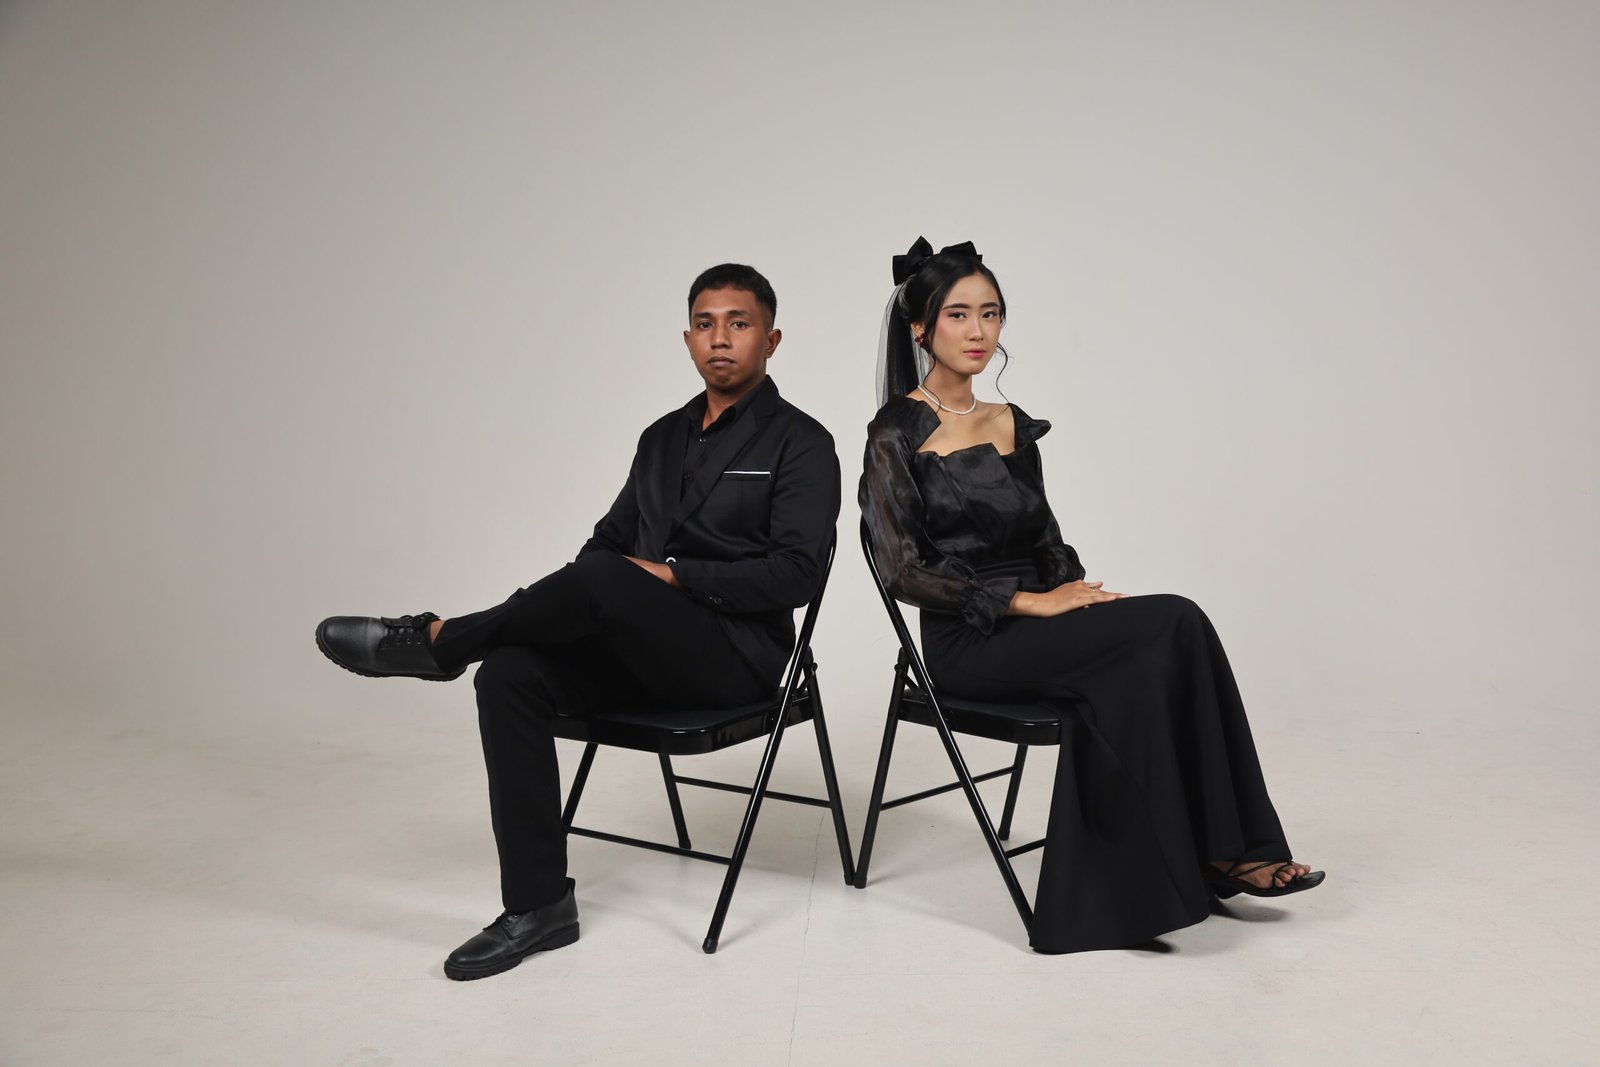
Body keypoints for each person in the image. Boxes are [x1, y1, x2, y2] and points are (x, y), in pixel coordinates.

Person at [317, 264, 840, 979]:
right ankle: (538, 907)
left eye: (739, 323)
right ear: (687, 338)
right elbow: (606, 544)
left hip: (732, 660)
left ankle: (442, 640)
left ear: (771, 339)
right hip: (641, 653)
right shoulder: (660, 438)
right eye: (705, 324)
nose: (720, 338)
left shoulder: (802, 442)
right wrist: (618, 589)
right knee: (509, 673)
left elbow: (798, 574)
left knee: (603, 577)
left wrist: (674, 575)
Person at [859, 237, 1323, 954]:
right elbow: (902, 571)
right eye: (958, 314)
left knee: (1173, 630)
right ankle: (1193, 867)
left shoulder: (1011, 423)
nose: (979, 330)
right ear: (921, 328)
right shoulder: (895, 431)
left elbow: (1046, 538)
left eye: (991, 313)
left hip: (1041, 628)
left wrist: (1072, 589)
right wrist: (1028, 603)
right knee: (1172, 622)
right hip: (969, 641)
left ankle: (1221, 854)